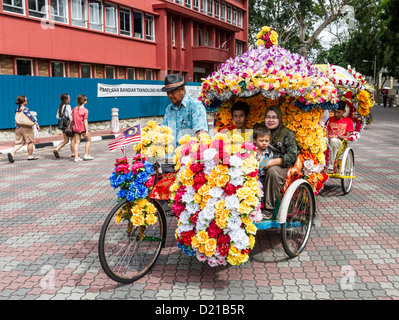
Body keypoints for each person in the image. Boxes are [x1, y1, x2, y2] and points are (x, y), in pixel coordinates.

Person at [161, 74, 208, 172]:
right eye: (167, 92)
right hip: (169, 161)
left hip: (188, 162)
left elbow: (201, 136)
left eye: (172, 92)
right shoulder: (169, 109)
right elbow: (163, 133)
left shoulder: (195, 106)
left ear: (182, 90)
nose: (169, 95)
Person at [262, 105, 298, 219]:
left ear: (279, 119)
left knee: (272, 171)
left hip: (282, 167)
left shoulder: (286, 133)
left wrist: (275, 161)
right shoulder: (260, 130)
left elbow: (292, 155)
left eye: (274, 117)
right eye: (268, 117)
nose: (270, 120)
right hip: (261, 162)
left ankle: (268, 209)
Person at [7, 95, 40, 163]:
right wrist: (36, 123)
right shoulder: (25, 109)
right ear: (24, 101)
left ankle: (12, 153)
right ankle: (30, 156)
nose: (27, 101)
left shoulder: (17, 109)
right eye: (26, 100)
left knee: (19, 143)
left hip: (17, 128)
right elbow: (30, 117)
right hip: (26, 128)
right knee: (30, 141)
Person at [326, 100, 354, 173]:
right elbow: (326, 131)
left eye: (339, 112)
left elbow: (347, 136)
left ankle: (331, 166)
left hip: (339, 142)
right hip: (328, 140)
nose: (336, 114)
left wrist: (337, 136)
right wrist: (327, 137)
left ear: (344, 112)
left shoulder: (348, 121)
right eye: (335, 111)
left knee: (334, 141)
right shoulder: (330, 119)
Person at [72, 95, 94, 162]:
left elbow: (72, 117)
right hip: (82, 128)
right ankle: (86, 155)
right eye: (86, 100)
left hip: (75, 127)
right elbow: (85, 121)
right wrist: (87, 130)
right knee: (88, 140)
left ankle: (76, 157)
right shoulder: (85, 110)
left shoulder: (74, 108)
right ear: (84, 102)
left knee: (77, 142)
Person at [53, 93, 74, 159]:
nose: (70, 99)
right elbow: (70, 116)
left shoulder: (61, 106)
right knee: (72, 139)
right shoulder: (68, 106)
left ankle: (57, 149)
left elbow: (57, 116)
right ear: (66, 99)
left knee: (66, 140)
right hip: (68, 126)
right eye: (69, 98)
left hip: (63, 126)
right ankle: (73, 153)